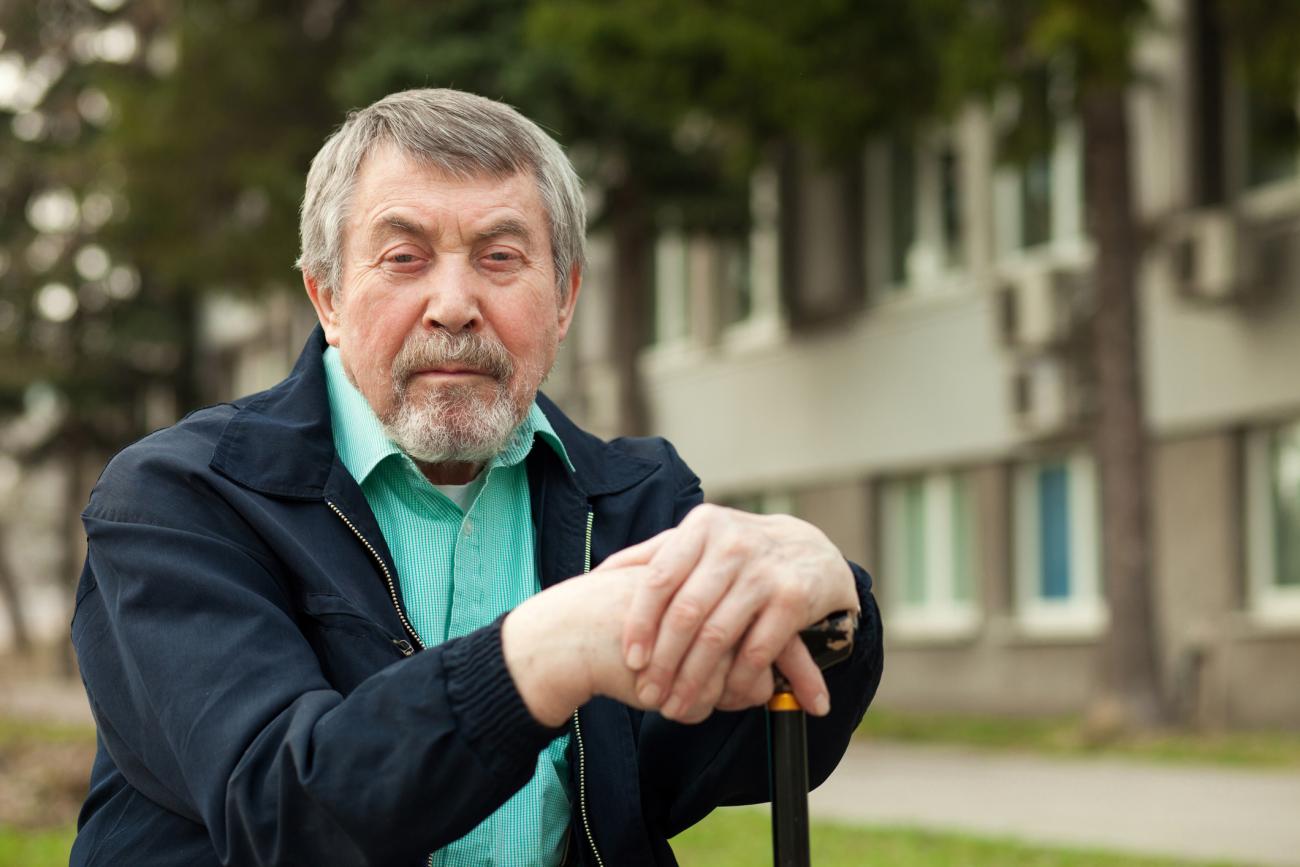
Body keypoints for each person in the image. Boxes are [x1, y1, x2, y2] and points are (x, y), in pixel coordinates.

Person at [70, 88, 884, 867]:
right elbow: (288, 808)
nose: (453, 304)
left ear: (563, 300)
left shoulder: (637, 502)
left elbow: (741, 747)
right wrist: (551, 651)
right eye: (403, 257)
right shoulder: (180, 499)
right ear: (327, 297)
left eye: (500, 257)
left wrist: (828, 601)